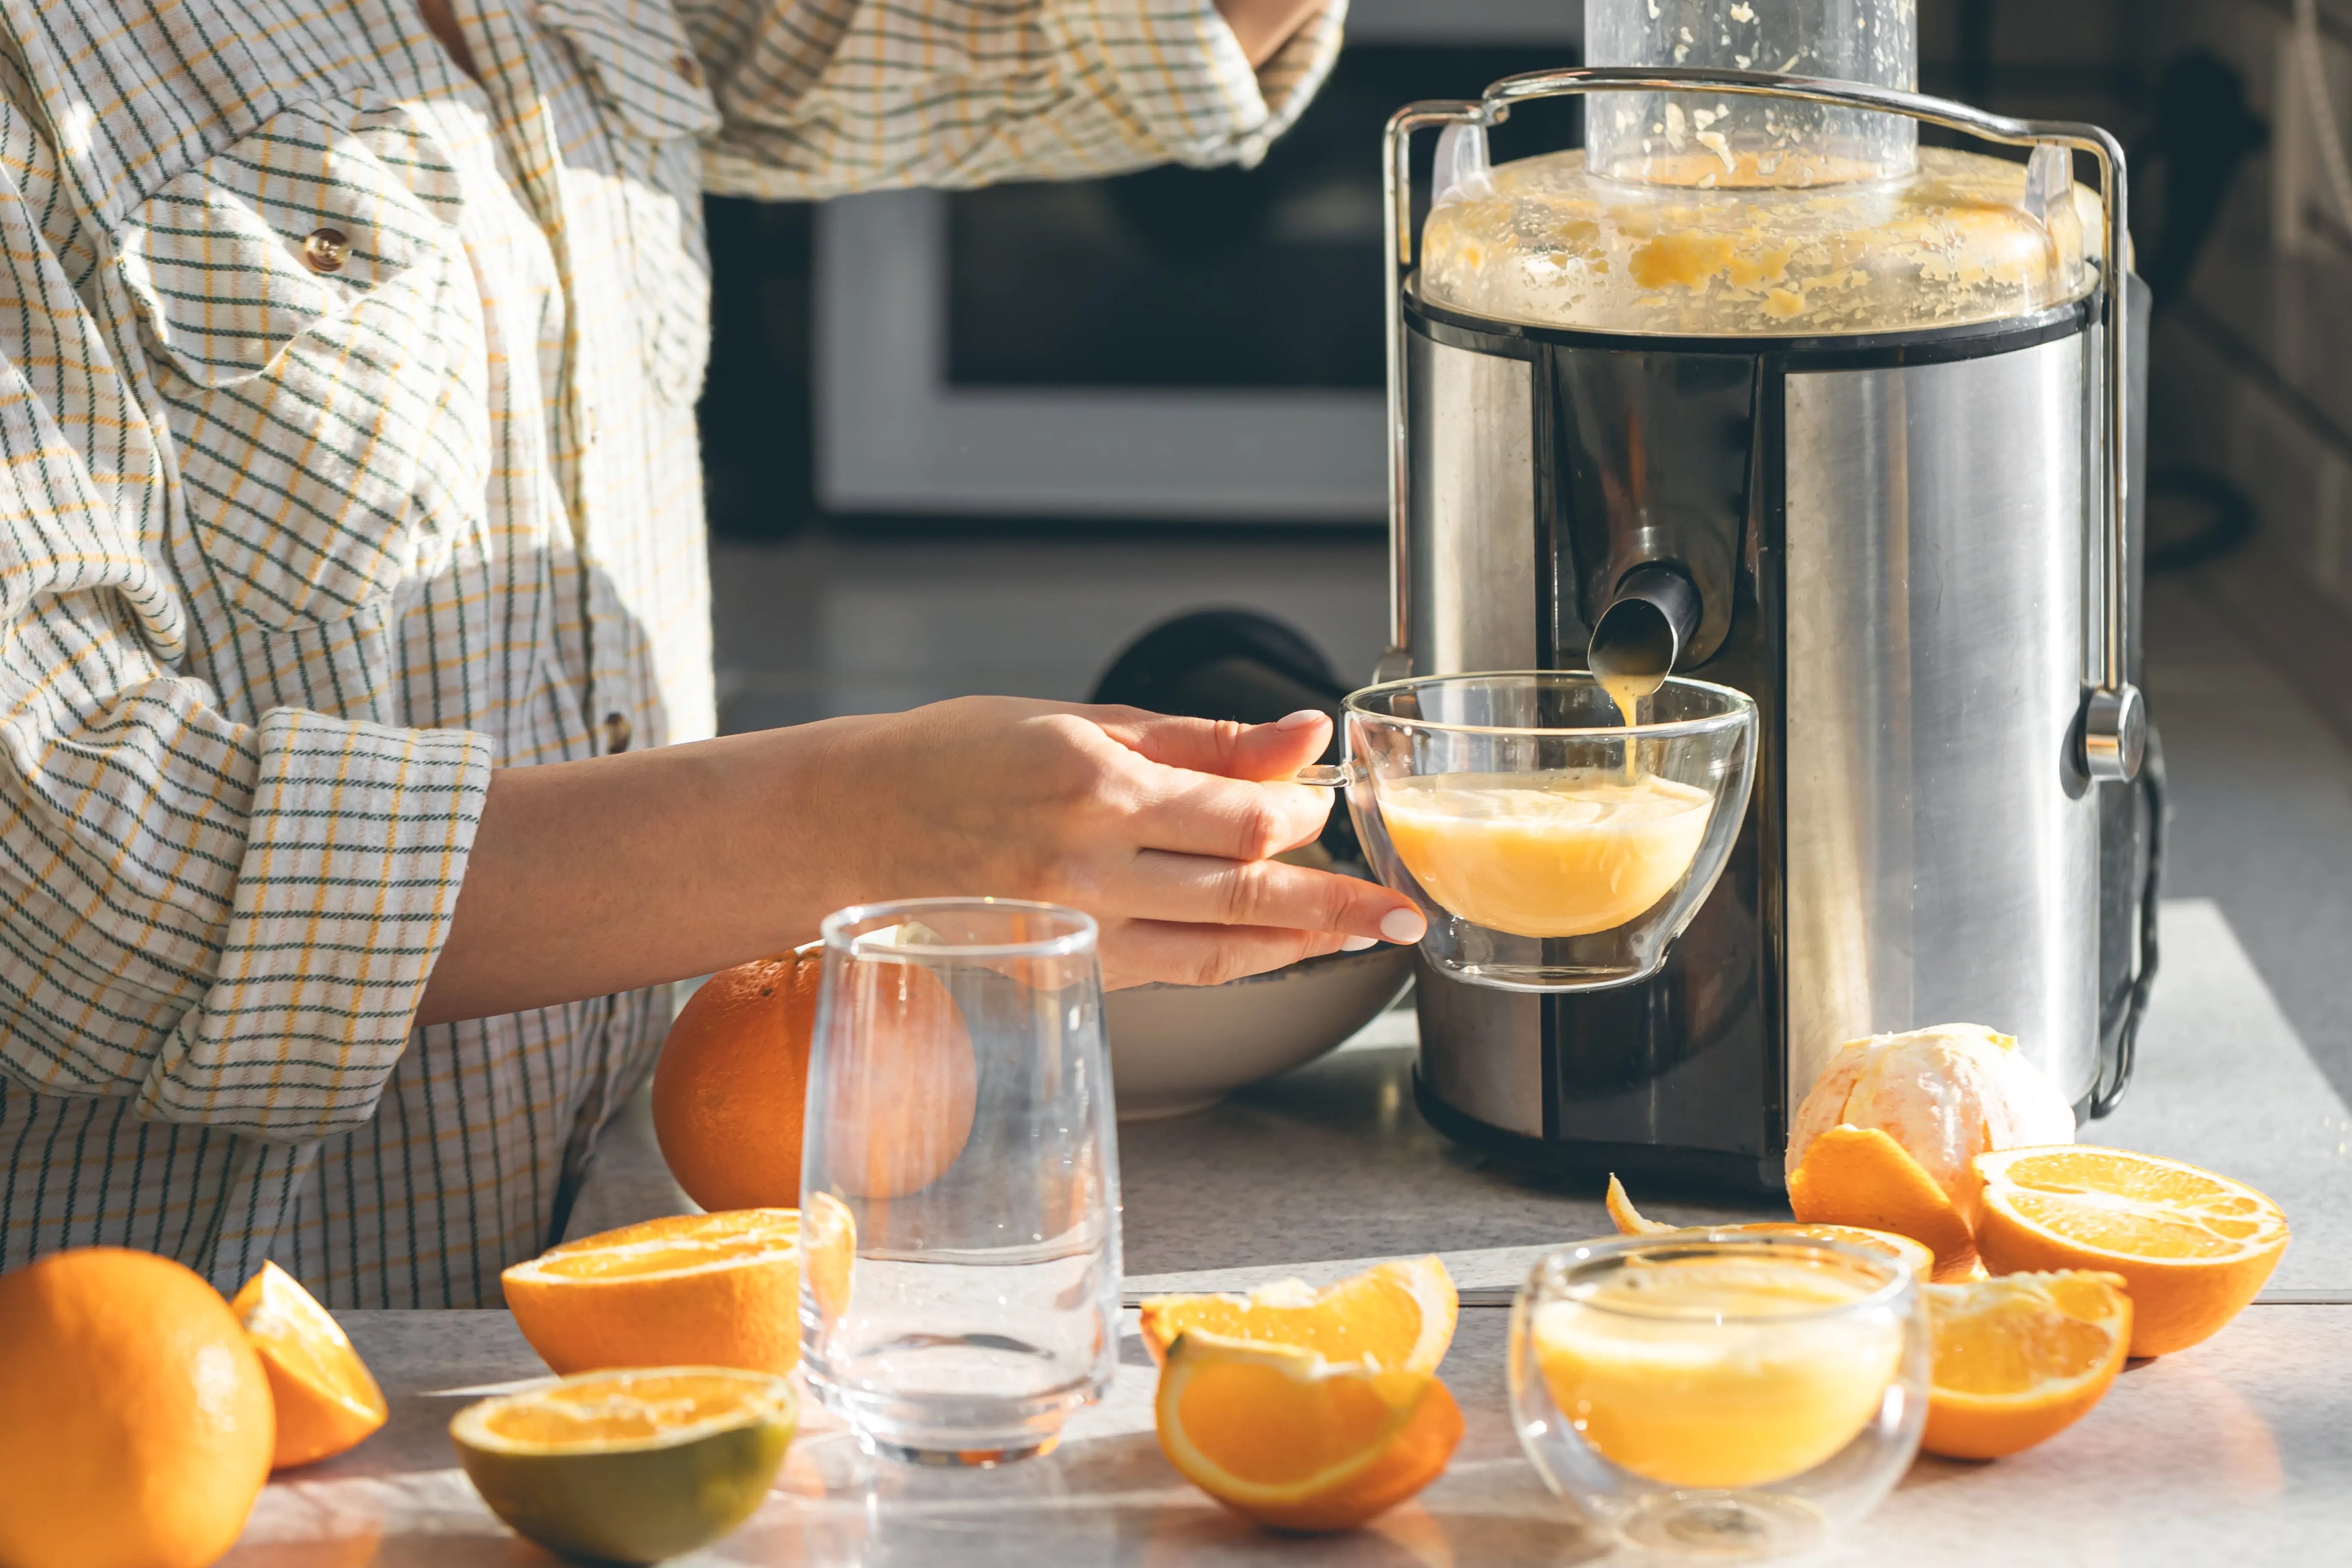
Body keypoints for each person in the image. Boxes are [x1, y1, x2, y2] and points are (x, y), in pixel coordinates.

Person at [0, 0, 1420, 1307]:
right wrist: (861, 829)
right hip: (190, 1348)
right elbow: (78, 888)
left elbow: (1011, 42)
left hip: (633, 1272)